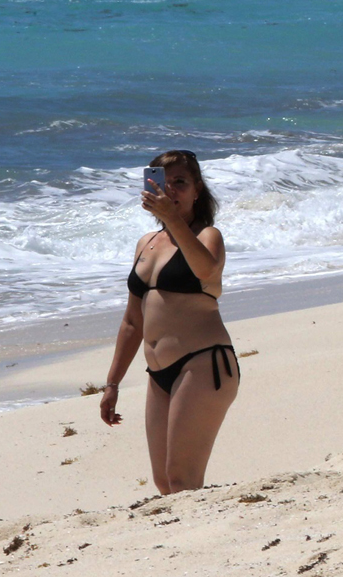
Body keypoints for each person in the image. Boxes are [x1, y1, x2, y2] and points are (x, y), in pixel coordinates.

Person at [99, 151, 239, 494]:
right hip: (158, 375)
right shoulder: (146, 244)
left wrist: (172, 220)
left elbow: (206, 271)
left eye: (180, 182)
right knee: (164, 483)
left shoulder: (208, 236)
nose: (172, 190)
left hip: (204, 364)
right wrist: (112, 383)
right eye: (163, 181)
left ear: (197, 190)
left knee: (183, 480)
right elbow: (133, 321)